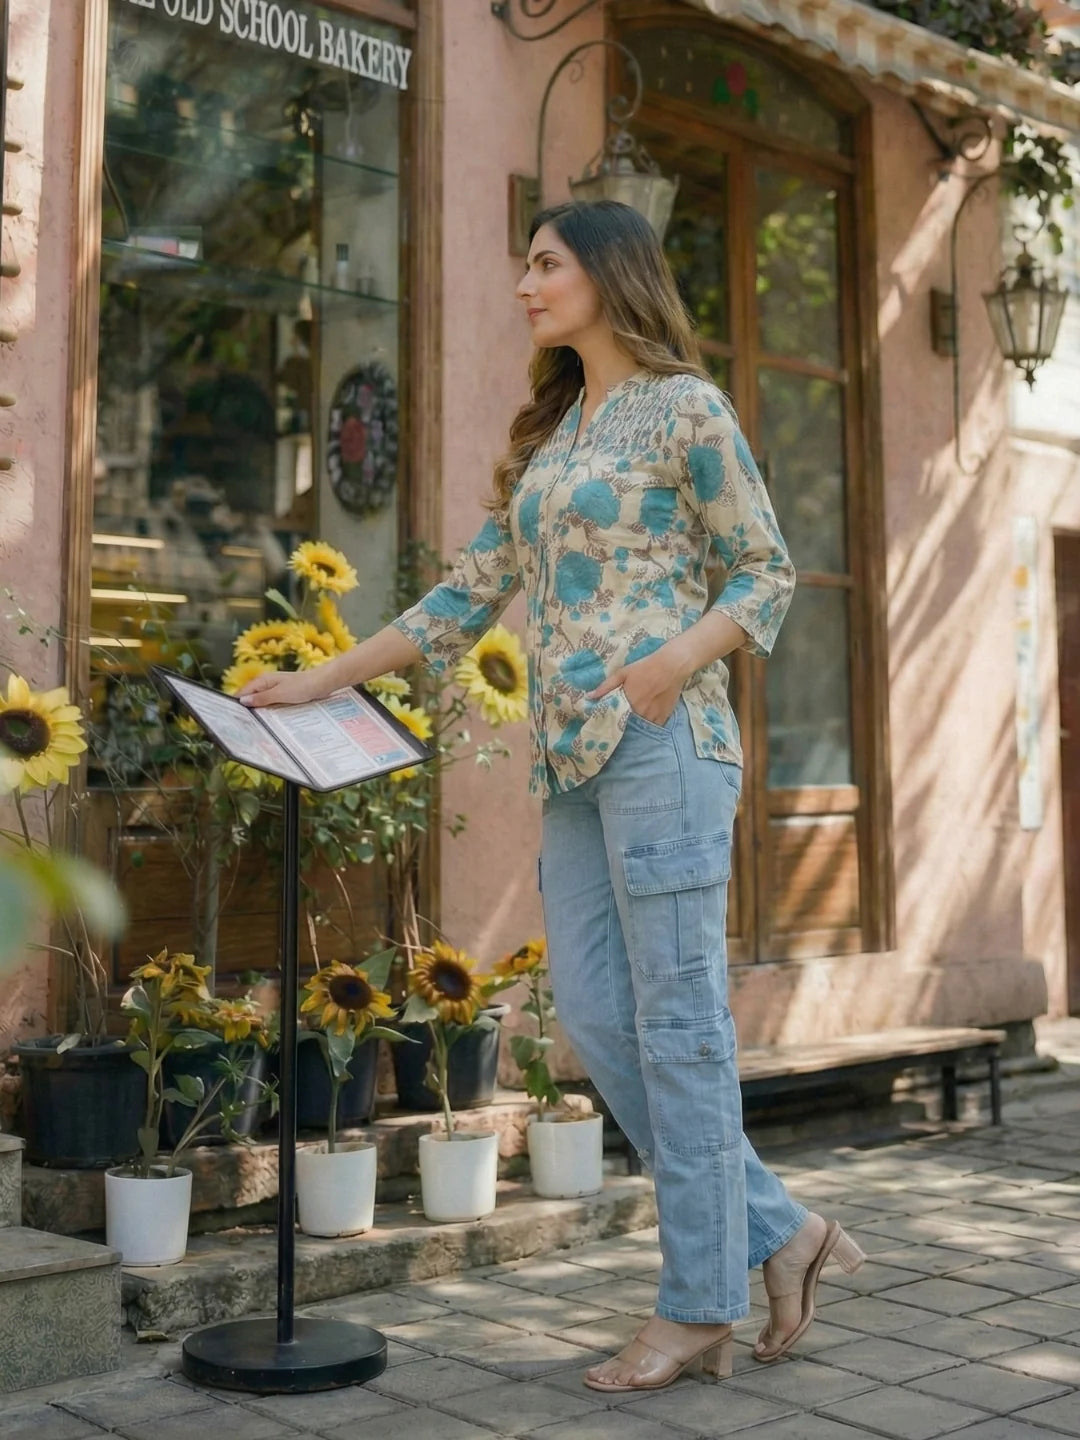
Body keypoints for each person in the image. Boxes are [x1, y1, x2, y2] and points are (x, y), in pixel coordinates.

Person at [241, 199, 865, 1392]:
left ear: (610, 274)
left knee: (679, 1027)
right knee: (595, 1016)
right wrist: (318, 678)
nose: (525, 285)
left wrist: (672, 662)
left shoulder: (686, 407)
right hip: (570, 762)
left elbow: (765, 570)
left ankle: (697, 1307)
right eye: (525, 266)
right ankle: (784, 1233)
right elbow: (461, 599)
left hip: (667, 743)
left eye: (546, 264)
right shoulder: (554, 434)